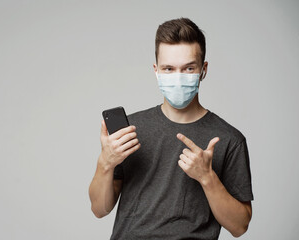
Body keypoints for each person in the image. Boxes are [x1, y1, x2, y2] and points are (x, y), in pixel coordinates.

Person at [89, 17, 254, 240]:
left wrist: (207, 177)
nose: (178, 77)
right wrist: (105, 163)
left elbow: (240, 226)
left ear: (203, 70)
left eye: (188, 68)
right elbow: (100, 209)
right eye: (168, 68)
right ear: (156, 71)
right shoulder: (130, 130)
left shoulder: (228, 139)